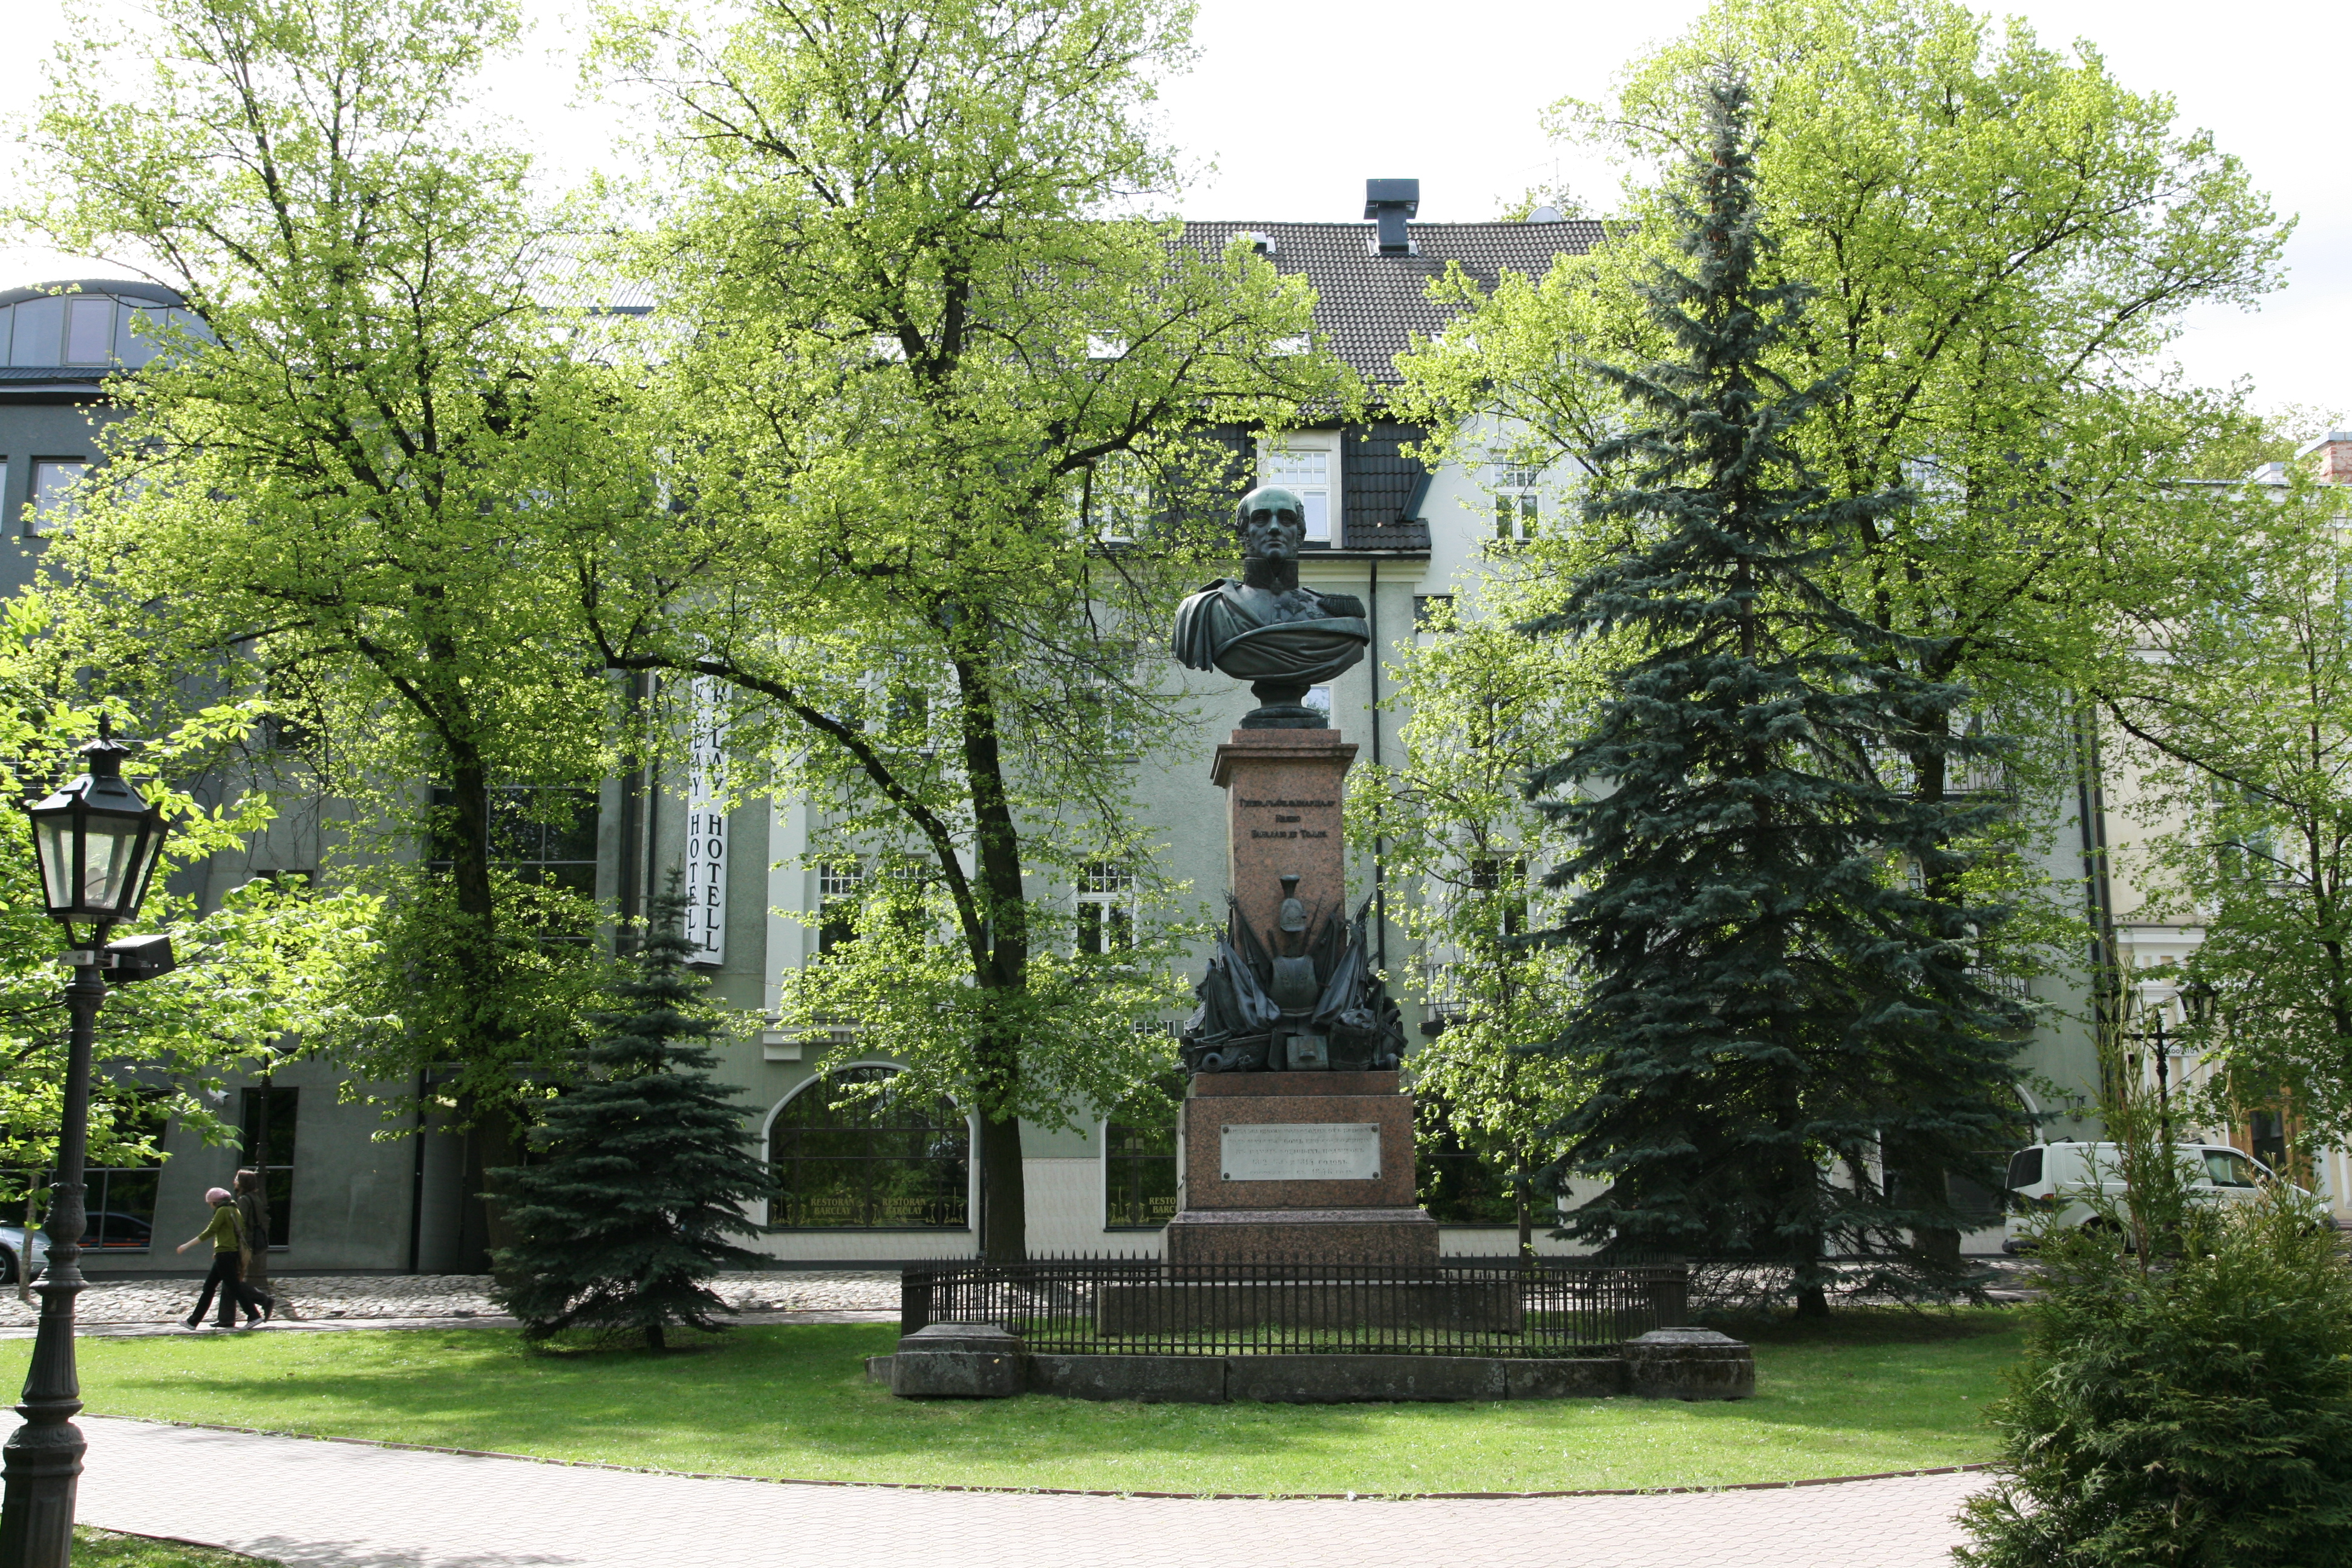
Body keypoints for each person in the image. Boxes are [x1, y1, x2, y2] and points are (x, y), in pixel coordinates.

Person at [175, 1187, 272, 1329]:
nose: (210, 1206)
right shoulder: (235, 1210)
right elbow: (238, 1231)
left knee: (233, 1287)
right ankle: (192, 1322)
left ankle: (254, 1315)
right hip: (229, 1253)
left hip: (225, 1254)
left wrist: (186, 1246)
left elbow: (210, 1231)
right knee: (211, 1287)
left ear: (215, 1202)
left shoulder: (223, 1211)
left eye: (210, 1203)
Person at [232, 1168, 296, 1321]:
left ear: (243, 1183)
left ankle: (262, 1302)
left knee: (233, 1280)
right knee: (233, 1280)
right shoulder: (256, 1198)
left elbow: (241, 1223)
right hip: (250, 1241)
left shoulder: (244, 1200)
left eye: (237, 1179)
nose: (234, 1182)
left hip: (244, 1242)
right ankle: (248, 1311)